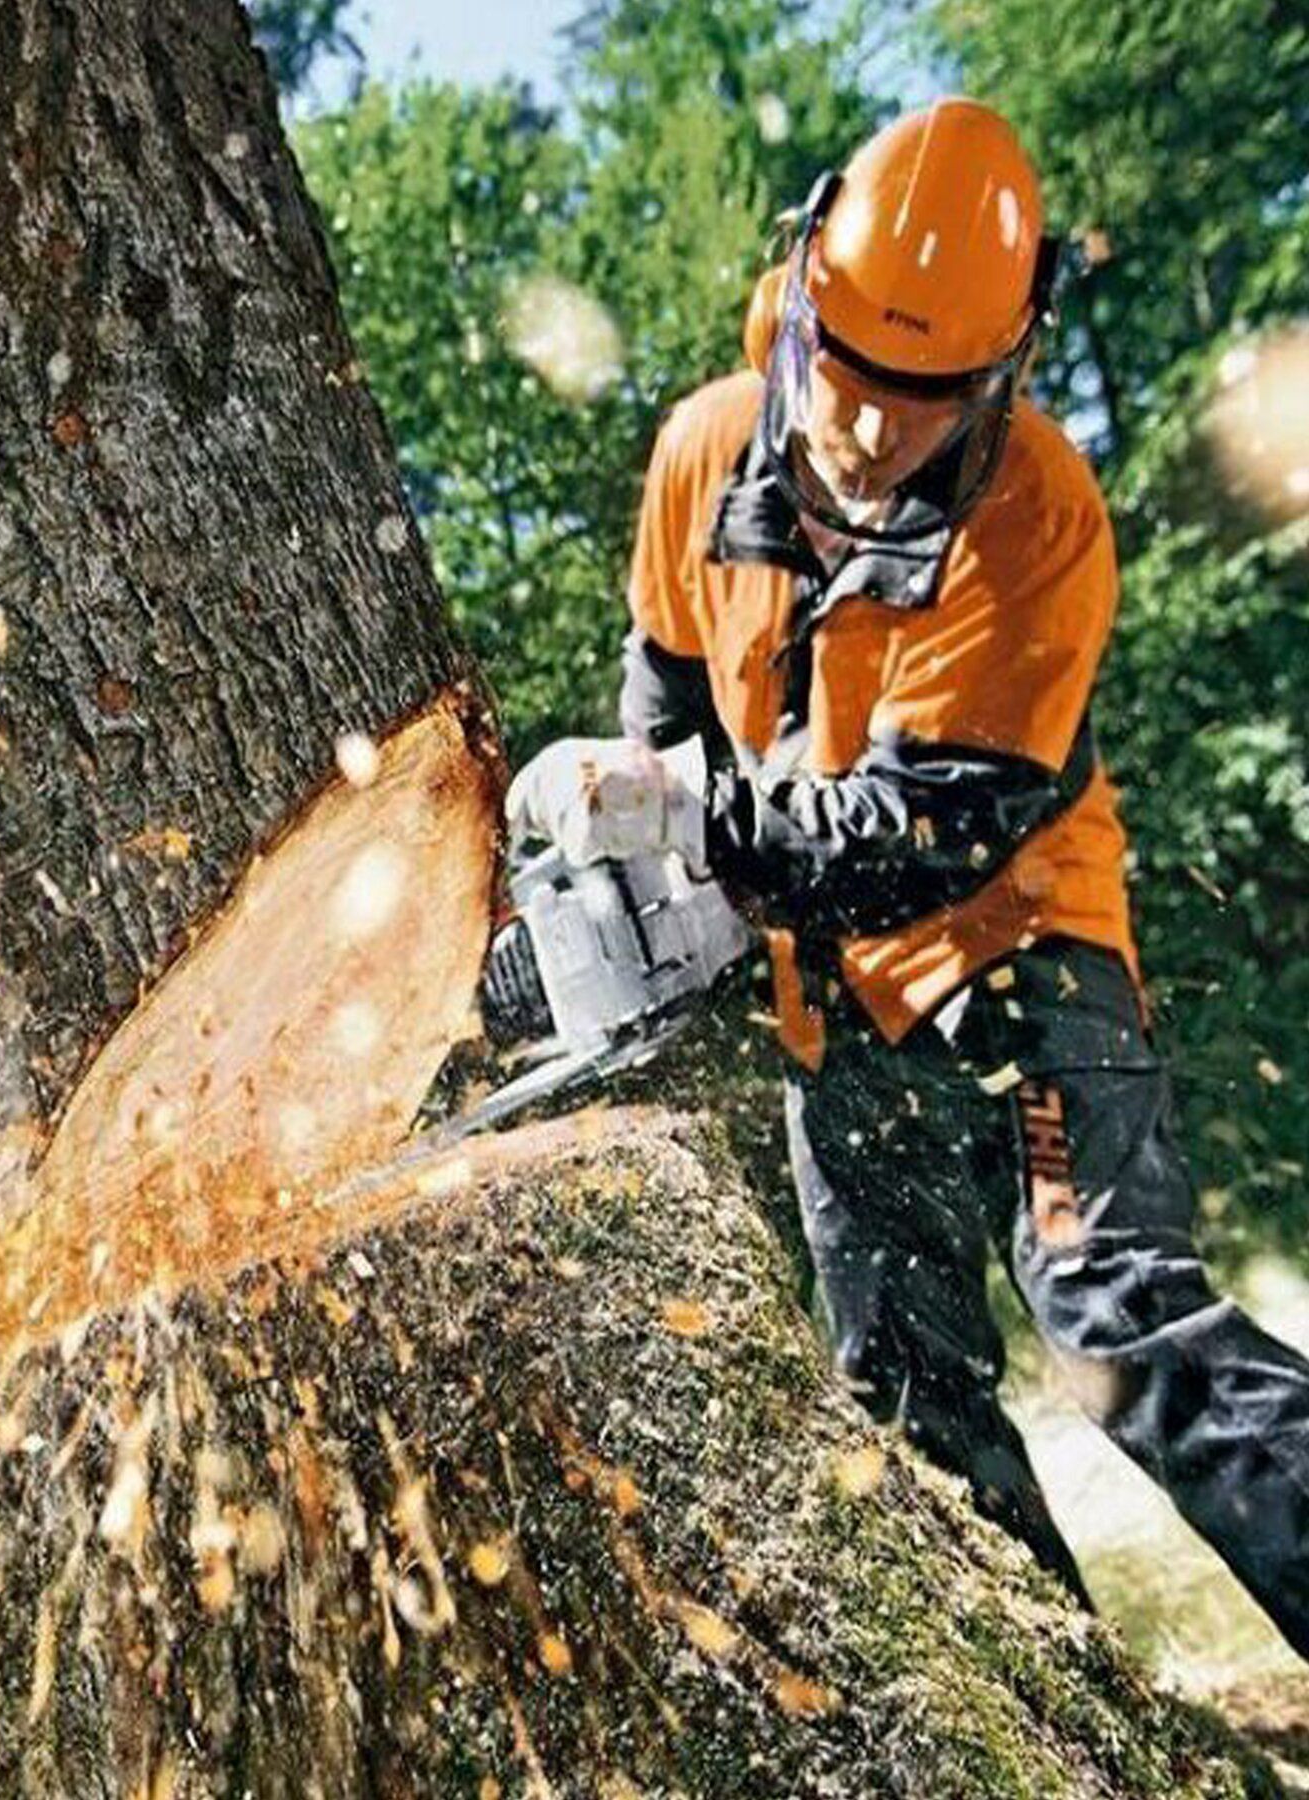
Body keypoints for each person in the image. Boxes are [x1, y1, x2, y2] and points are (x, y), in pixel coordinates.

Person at [507, 96, 1309, 1651]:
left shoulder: (1040, 520)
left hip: (1023, 957)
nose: (877, 429)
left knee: (1118, 1318)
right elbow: (670, 716)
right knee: (910, 1404)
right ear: (802, 305)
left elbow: (918, 839)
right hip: (830, 1006)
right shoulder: (698, 460)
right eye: (857, 377)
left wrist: (689, 809)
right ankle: (1072, 1731)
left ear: (999, 374)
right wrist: (640, 841)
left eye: (927, 397)